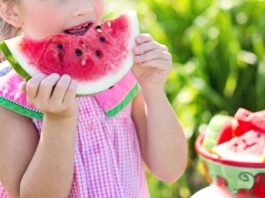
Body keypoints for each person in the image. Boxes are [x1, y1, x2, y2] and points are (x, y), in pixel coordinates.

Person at [0, 0, 188, 197]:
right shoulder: (8, 97)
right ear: (11, 10)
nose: (84, 8)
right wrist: (58, 122)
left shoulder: (123, 72)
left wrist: (154, 90)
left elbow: (170, 169)